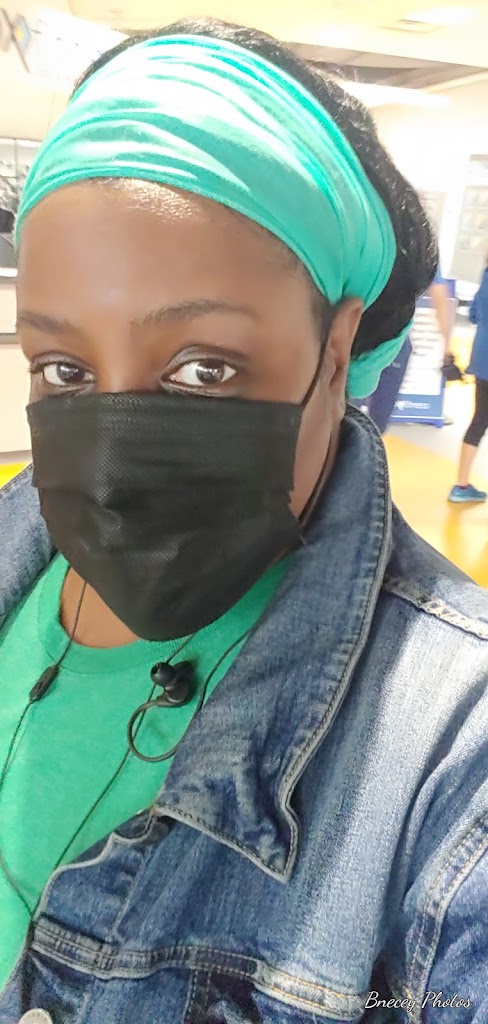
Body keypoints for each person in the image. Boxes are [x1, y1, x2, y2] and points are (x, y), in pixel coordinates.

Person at [0, 19, 487, 1024]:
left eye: (203, 368)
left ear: (336, 347)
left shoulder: (451, 758)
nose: (114, 461)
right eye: (63, 368)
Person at [363, 269, 452, 434]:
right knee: (376, 424)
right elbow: (439, 295)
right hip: (393, 343)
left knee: (340, 413)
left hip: (355, 337)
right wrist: (447, 349)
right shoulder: (422, 252)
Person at [448, 259, 488, 503]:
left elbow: (474, 313)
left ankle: (461, 485)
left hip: (483, 359)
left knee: (479, 419)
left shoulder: (487, 274)